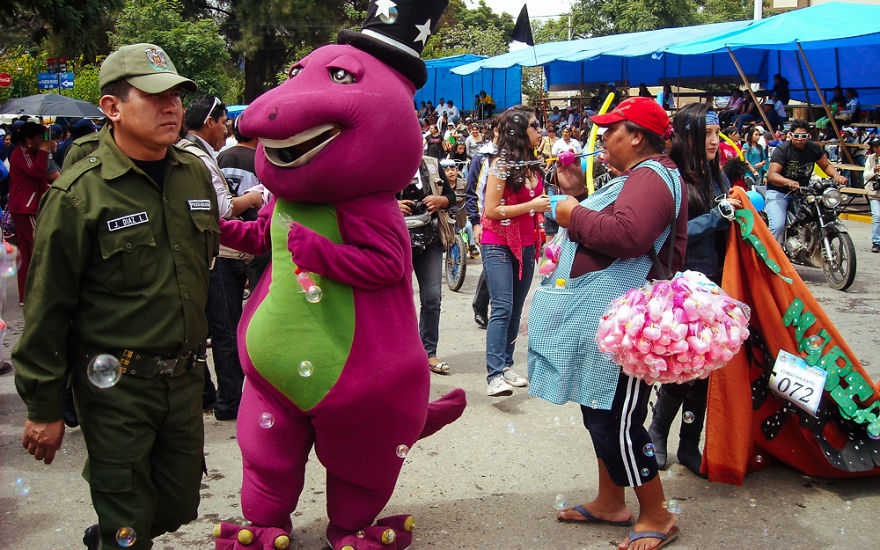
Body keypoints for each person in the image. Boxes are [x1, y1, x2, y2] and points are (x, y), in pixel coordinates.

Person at [13, 42, 217, 550]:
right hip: (118, 385)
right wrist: (43, 406)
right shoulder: (79, 192)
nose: (172, 106)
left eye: (176, 95)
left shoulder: (193, 173)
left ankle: (113, 532)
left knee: (178, 504)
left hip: (185, 377)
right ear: (112, 108)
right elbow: (46, 305)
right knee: (128, 518)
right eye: (154, 96)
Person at [530, 96, 687, 550]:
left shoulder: (651, 177)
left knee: (617, 419)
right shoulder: (641, 177)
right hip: (614, 320)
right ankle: (609, 501)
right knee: (599, 411)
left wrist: (571, 213)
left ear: (636, 135)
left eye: (610, 131)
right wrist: (578, 199)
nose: (602, 140)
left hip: (632, 323)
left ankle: (657, 513)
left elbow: (628, 236)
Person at [649, 103, 740, 478]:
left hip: (718, 283)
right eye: (706, 134)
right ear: (687, 136)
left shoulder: (716, 175)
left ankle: (690, 444)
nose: (714, 142)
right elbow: (674, 233)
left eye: (717, 134)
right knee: (683, 370)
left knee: (707, 368)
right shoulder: (674, 179)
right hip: (686, 287)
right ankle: (656, 433)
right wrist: (719, 214)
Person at [179, 95, 264, 419]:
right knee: (225, 330)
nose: (226, 128)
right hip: (215, 254)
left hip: (203, 253)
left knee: (200, 330)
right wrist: (254, 197)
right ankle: (230, 402)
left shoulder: (199, 152)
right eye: (223, 121)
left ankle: (207, 395)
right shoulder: (197, 155)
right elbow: (224, 208)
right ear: (210, 121)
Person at [481, 106, 550, 397]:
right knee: (502, 306)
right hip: (497, 242)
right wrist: (531, 207)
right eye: (535, 126)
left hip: (526, 244)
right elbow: (491, 210)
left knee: (517, 309)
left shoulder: (533, 164)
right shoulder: (500, 165)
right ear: (520, 131)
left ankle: (507, 365)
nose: (540, 131)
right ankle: (494, 374)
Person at [397, 155, 456, 374]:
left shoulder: (431, 164)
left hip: (430, 240)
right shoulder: (383, 160)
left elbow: (451, 196)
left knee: (432, 297)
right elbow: (368, 199)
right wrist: (392, 205)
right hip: (396, 240)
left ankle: (428, 352)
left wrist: (441, 201)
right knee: (399, 300)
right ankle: (401, 353)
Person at [766, 119, 847, 241]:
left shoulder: (813, 148)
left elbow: (825, 165)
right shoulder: (782, 150)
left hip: (803, 192)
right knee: (777, 226)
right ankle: (768, 256)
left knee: (815, 216)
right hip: (779, 192)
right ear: (791, 135)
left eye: (803, 136)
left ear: (808, 136)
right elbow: (772, 175)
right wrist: (788, 182)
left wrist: (837, 176)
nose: (800, 139)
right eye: (797, 136)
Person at [7, 121, 51, 304]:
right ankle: (42, 292)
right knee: (40, 247)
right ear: (29, 139)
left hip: (26, 205)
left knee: (25, 252)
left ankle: (26, 294)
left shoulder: (26, 152)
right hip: (26, 208)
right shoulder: (22, 153)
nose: (42, 140)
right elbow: (37, 172)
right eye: (40, 137)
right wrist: (44, 152)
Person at [466, 122, 498, 330]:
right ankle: (481, 305)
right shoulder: (482, 157)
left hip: (512, 223)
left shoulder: (521, 155)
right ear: (497, 131)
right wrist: (476, 223)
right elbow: (473, 193)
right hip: (488, 222)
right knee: (491, 267)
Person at [864, 138, 880, 253]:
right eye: (875, 146)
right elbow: (866, 175)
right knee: (877, 216)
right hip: (874, 192)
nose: (877, 149)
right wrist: (874, 170)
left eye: (878, 146)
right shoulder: (871, 159)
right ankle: (876, 242)